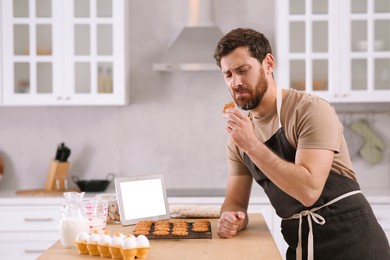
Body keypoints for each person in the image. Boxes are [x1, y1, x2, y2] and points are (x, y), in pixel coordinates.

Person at [213, 28, 390, 260]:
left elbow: (309, 190)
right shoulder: (239, 137)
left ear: (268, 63)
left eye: (243, 70)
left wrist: (252, 145)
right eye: (228, 75)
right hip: (301, 246)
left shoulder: (309, 110)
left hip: (355, 244)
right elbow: (235, 203)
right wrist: (231, 218)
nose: (235, 83)